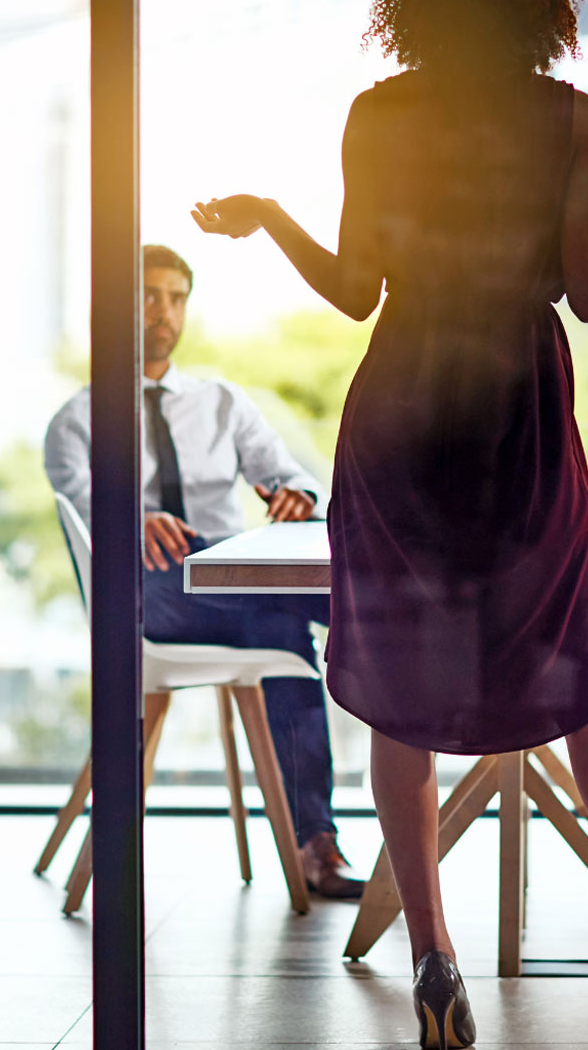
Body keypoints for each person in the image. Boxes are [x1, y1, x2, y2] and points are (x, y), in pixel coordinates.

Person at [191, 0, 588, 1050]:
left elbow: (352, 293)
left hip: (399, 406)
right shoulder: (567, 119)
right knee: (583, 677)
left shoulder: (378, 115)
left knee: (402, 682)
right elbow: (587, 294)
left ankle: (434, 959)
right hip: (516, 410)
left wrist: (272, 218)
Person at [42, 244, 366, 901]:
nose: (163, 312)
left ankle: (320, 839)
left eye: (176, 297)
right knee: (304, 623)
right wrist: (131, 517)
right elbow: (83, 509)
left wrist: (295, 495)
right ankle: (318, 842)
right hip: (147, 597)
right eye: (147, 296)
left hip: (238, 584)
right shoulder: (76, 420)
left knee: (315, 615)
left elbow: (288, 474)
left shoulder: (221, 401)